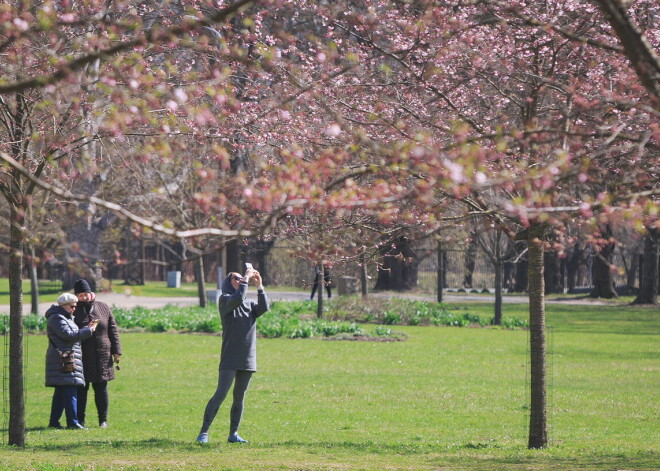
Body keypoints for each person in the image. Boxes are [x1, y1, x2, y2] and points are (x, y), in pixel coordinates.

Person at [196, 267, 269, 444]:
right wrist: (246, 276)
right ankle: (203, 433)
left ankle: (233, 434)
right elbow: (237, 298)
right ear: (229, 284)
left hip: (247, 357)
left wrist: (259, 286)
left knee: (239, 396)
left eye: (240, 278)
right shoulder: (225, 300)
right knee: (221, 393)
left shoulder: (250, 304)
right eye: (236, 278)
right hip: (230, 357)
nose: (240, 280)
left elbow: (264, 307)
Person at [72, 278, 122, 429]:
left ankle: (103, 420)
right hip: (81, 356)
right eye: (80, 295)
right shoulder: (73, 310)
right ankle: (80, 420)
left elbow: (113, 330)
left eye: (85, 294)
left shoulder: (103, 307)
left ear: (91, 293)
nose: (84, 297)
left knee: (101, 389)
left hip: (102, 355)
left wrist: (116, 351)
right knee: (81, 389)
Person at [45, 292, 98, 430]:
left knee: (61, 392)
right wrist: (89, 330)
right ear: (63, 305)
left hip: (65, 358)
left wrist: (86, 329)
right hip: (62, 359)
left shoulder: (65, 317)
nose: (74, 309)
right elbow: (69, 335)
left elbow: (72, 334)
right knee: (70, 390)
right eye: (72, 306)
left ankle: (54, 422)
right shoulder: (57, 318)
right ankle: (73, 422)